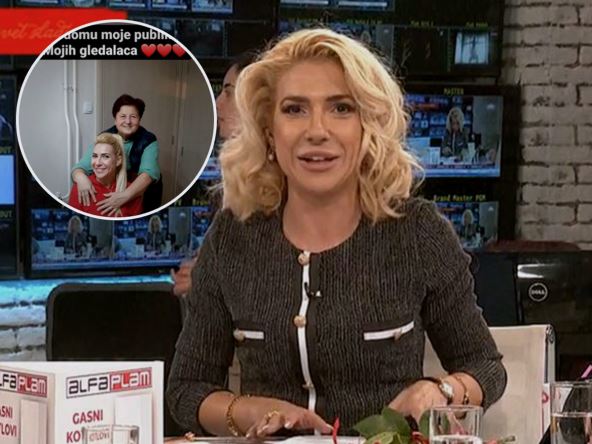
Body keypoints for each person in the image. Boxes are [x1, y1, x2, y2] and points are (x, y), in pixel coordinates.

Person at [167, 28, 506, 437]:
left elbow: (485, 367)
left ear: (367, 127)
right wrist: (250, 410)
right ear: (269, 131)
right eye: (294, 109)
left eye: (341, 108)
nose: (317, 130)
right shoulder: (232, 237)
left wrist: (440, 390)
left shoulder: (417, 232)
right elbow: (187, 390)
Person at [171, 53, 255, 296]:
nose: (217, 103)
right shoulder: (233, 182)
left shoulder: (275, 186)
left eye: (228, 92)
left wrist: (205, 279)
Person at [71, 94, 161, 216]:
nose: (128, 121)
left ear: (139, 119)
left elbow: (147, 175)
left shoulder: (148, 140)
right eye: (123, 116)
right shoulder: (104, 138)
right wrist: (81, 179)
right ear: (115, 119)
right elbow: (80, 167)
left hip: (140, 192)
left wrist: (125, 196)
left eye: (133, 117)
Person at [68, 133, 143, 217]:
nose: (98, 163)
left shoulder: (132, 193)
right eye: (95, 156)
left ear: (118, 160)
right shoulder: (81, 188)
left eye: (105, 156)